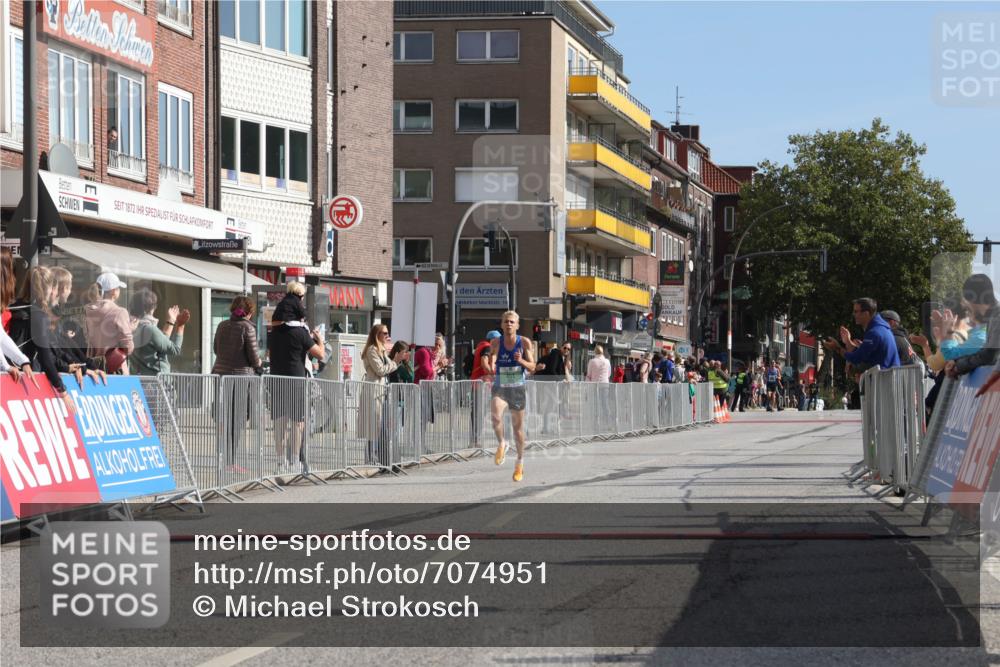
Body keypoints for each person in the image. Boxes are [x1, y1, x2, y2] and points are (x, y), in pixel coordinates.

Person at [269, 309, 326, 473]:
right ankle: (295, 461)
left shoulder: (275, 333)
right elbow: (321, 354)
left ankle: (281, 463)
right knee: (298, 423)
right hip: (297, 382)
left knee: (280, 422)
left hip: (277, 381)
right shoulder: (301, 333)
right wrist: (319, 340)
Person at [212, 296, 263, 472]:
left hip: (220, 376)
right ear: (249, 313)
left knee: (225, 418)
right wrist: (259, 365)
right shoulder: (247, 328)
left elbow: (216, 349)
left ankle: (225, 460)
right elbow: (254, 357)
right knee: (238, 419)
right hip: (240, 378)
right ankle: (230, 462)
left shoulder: (222, 326)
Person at [490, 310, 535, 482]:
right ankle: (502, 443)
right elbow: (491, 359)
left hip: (517, 388)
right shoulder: (495, 342)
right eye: (506, 322)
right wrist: (490, 367)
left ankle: (519, 463)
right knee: (495, 415)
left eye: (511, 322)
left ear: (517, 325)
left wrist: (521, 361)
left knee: (517, 430)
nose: (508, 324)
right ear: (501, 324)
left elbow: (532, 366)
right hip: (500, 386)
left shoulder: (523, 342)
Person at [360, 324, 407, 470]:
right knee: (373, 425)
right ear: (377, 334)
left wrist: (395, 362)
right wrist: (396, 362)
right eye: (384, 333)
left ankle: (378, 457)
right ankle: (370, 457)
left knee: (379, 425)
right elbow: (380, 370)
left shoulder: (381, 350)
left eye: (387, 333)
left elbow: (388, 367)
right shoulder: (372, 350)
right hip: (374, 390)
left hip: (381, 391)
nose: (387, 336)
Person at [946, 274, 999, 380]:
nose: (964, 305)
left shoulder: (997, 317)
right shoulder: (993, 317)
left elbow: (989, 356)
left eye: (965, 299)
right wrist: (956, 361)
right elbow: (983, 351)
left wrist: (958, 367)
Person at [129, 288, 190, 375]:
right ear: (152, 307)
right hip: (157, 382)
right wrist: (180, 325)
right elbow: (175, 350)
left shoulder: (132, 327)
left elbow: (160, 343)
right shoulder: (149, 329)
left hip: (138, 379)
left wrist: (171, 321)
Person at [85, 272, 134, 374]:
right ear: (113, 291)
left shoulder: (89, 312)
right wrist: (130, 329)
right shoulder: (119, 312)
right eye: (118, 288)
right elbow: (128, 347)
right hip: (115, 368)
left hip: (95, 368)